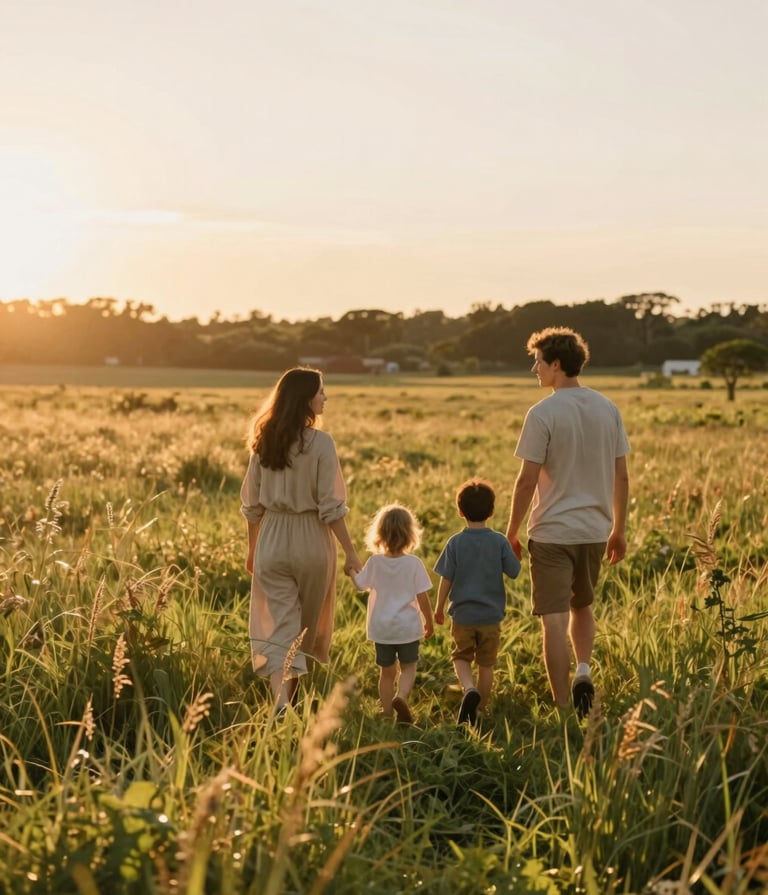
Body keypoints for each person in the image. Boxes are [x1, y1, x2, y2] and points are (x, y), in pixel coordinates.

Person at [505, 326, 630, 719]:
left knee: (554, 621)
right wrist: (619, 529)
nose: (534, 369)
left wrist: (510, 530)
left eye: (538, 362)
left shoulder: (542, 413)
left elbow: (527, 480)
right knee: (584, 605)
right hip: (595, 531)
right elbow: (621, 476)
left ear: (556, 365)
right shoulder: (608, 408)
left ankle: (562, 706)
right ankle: (583, 669)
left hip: (552, 532)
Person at [240, 367, 362, 712]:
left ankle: (283, 703)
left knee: (281, 626)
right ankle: (286, 705)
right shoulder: (321, 443)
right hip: (312, 540)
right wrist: (351, 552)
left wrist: (254, 550)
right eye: (321, 391)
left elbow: (252, 505)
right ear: (305, 399)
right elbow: (331, 506)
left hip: (272, 539)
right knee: (302, 629)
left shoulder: (263, 440)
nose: (325, 397)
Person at [434, 479, 521, 725]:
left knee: (461, 657)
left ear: (460, 511)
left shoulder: (455, 542)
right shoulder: (499, 542)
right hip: (491, 617)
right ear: (492, 511)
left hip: (462, 615)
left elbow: (446, 579)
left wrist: (439, 607)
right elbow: (514, 572)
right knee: (486, 664)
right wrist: (514, 552)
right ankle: (480, 709)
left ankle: (468, 689)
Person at [352, 503, 434, 724]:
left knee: (386, 673)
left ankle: (387, 711)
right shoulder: (414, 564)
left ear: (379, 534)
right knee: (408, 667)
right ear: (410, 534)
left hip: (382, 629)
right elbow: (422, 596)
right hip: (407, 628)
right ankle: (402, 697)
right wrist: (429, 621)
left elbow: (361, 585)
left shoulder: (375, 562)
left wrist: (351, 570)